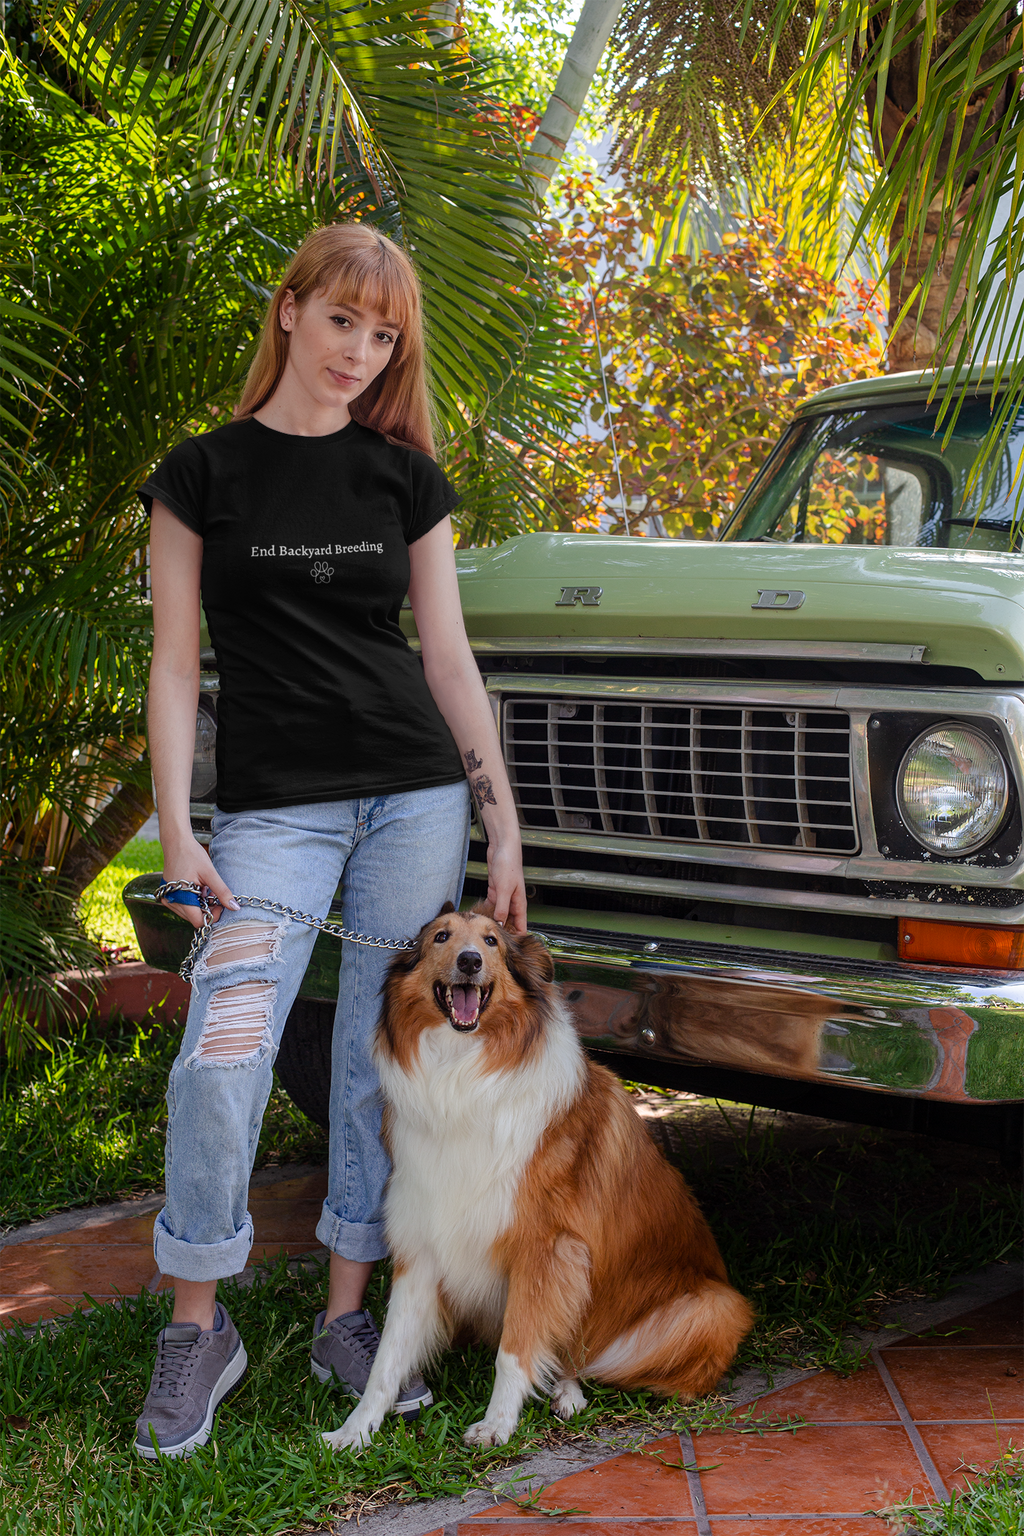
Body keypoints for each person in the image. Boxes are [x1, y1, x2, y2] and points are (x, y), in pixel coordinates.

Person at [134, 222, 527, 1459]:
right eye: (343, 319)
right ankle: (198, 1324)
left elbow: (447, 659)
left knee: (384, 1064)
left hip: (415, 794)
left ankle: (347, 1316)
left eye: (384, 333)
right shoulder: (200, 474)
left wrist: (500, 823)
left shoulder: (404, 480)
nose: (361, 349)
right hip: (272, 816)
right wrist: (181, 832)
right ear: (291, 310)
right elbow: (174, 660)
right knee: (223, 1051)